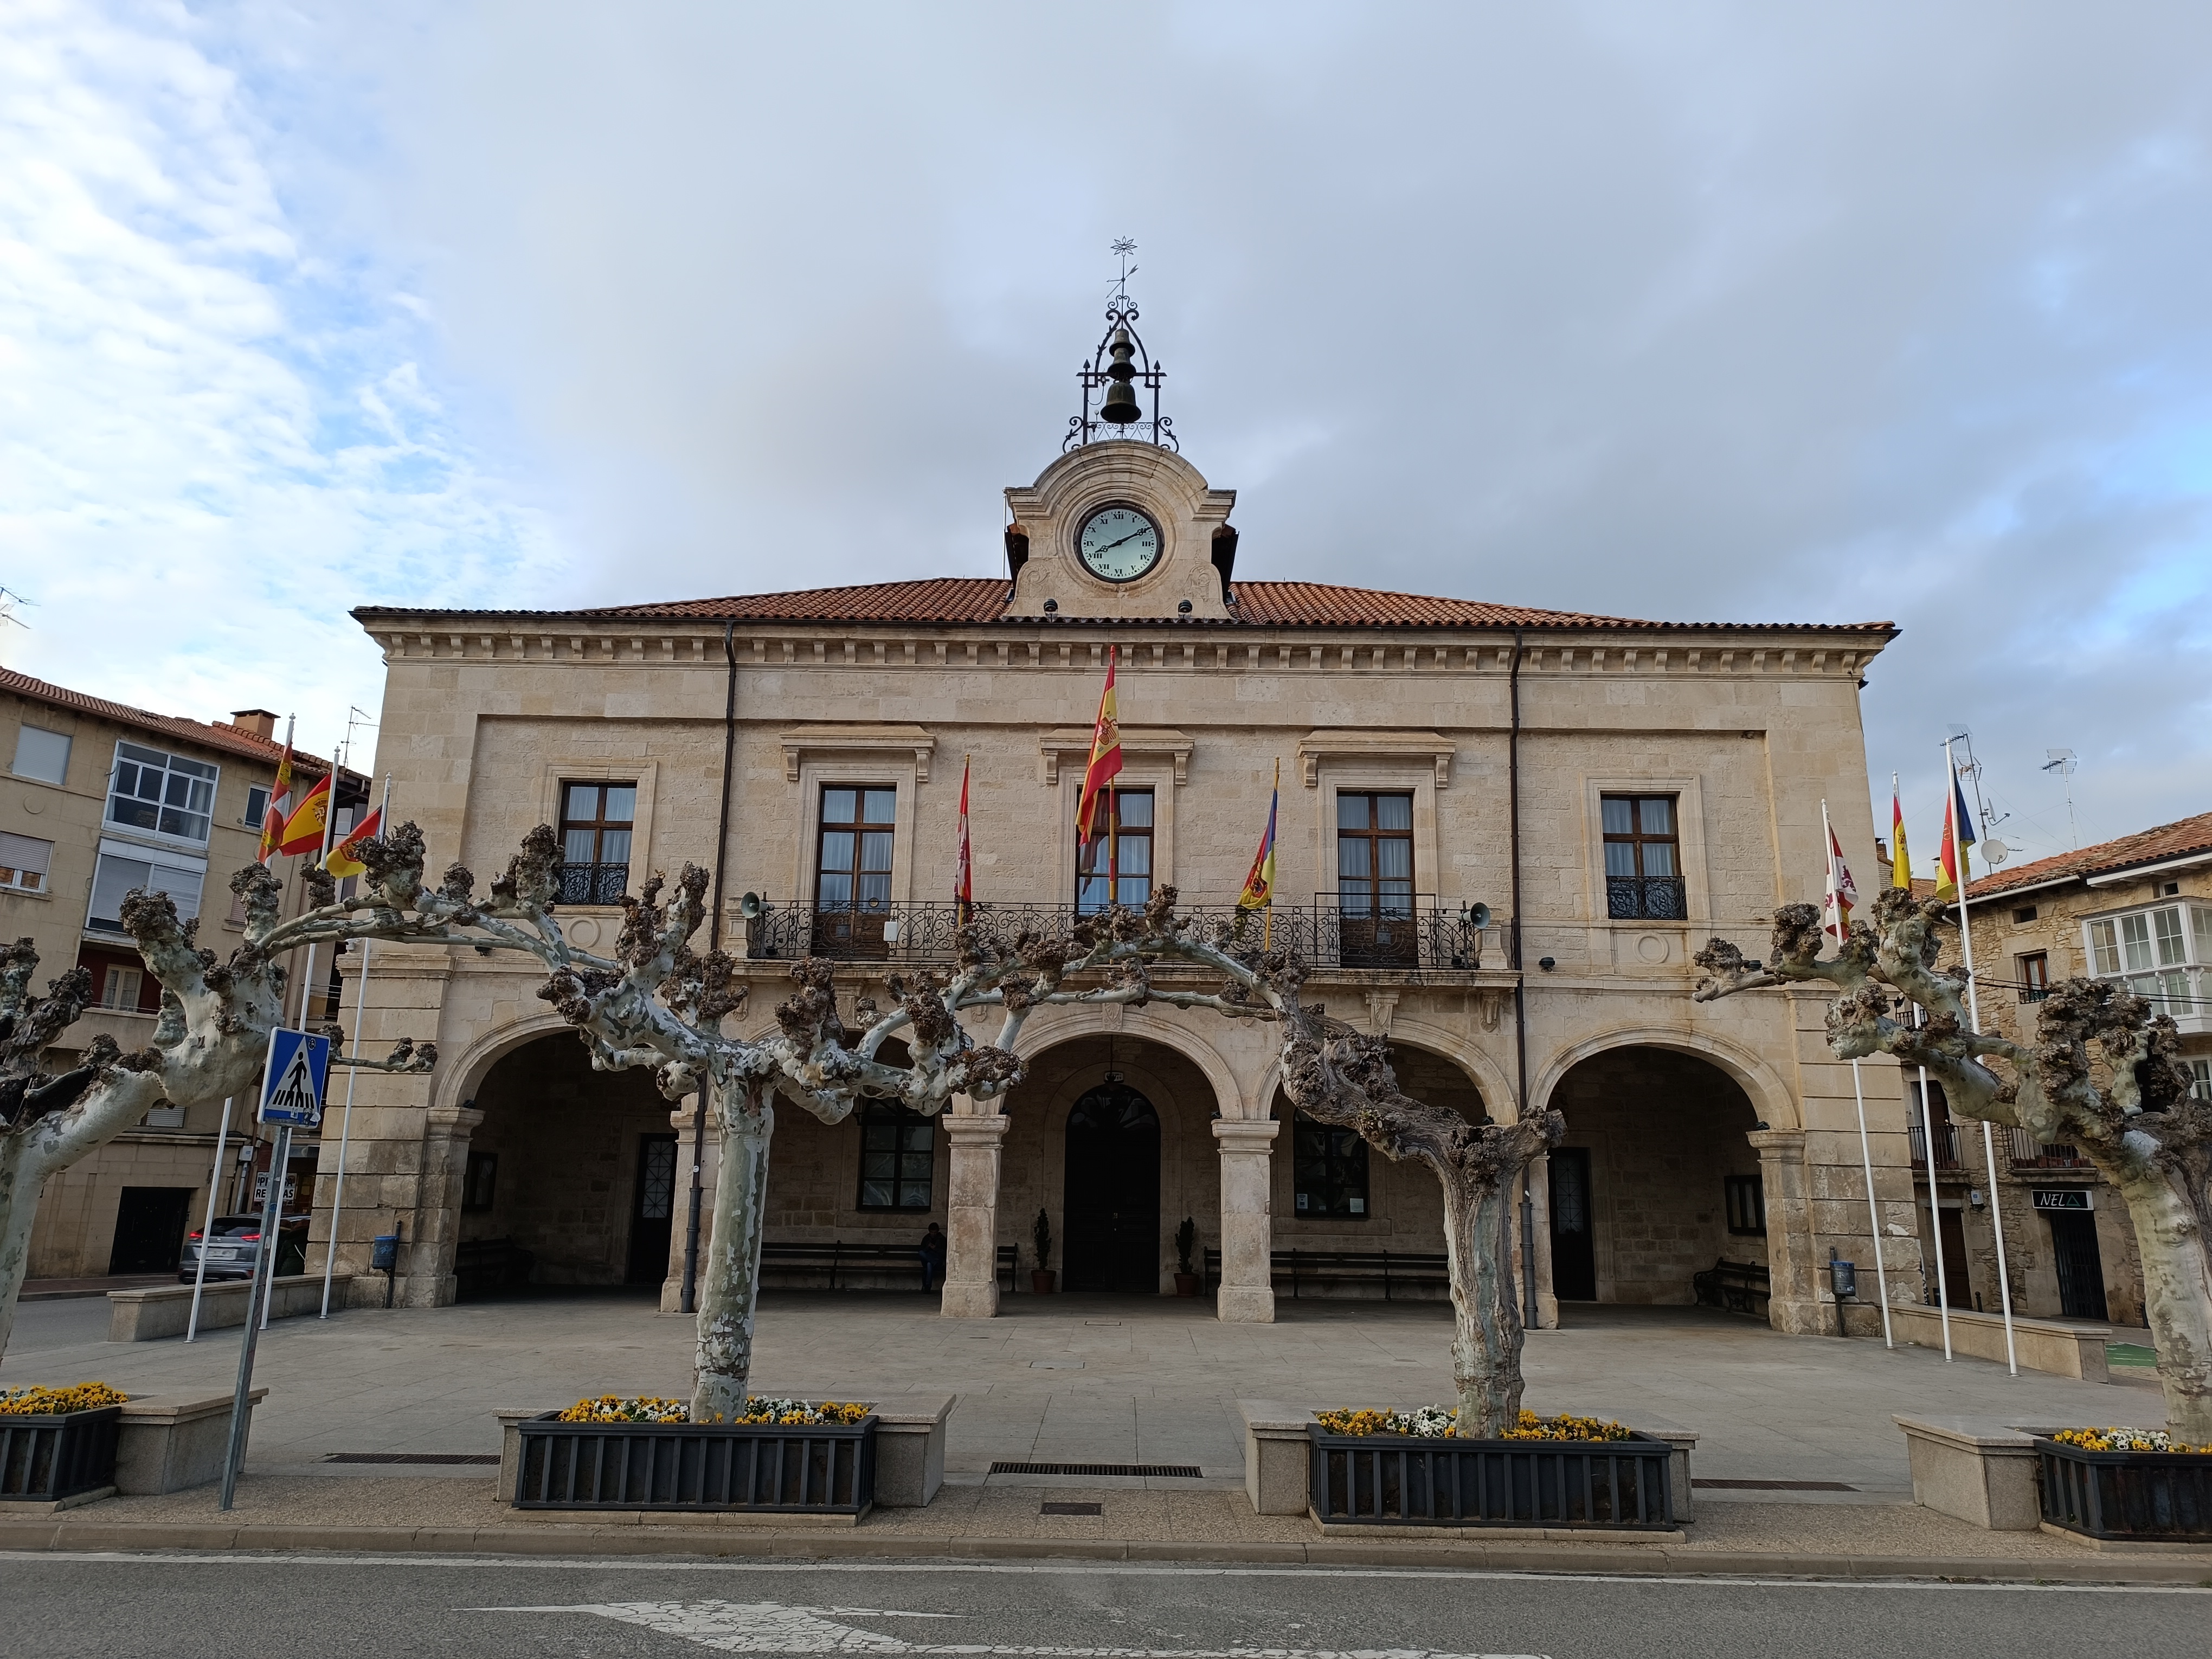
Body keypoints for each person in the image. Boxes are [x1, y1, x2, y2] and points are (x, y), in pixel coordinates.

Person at [918, 1222, 947, 1293]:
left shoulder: (942, 1239)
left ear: (937, 1231)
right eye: (931, 1232)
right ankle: (934, 1262)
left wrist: (935, 1249)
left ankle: (928, 1287)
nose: (933, 1234)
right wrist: (928, 1247)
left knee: (929, 1264)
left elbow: (945, 1252)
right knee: (923, 1255)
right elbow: (922, 1250)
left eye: (935, 1232)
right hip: (930, 1259)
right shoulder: (926, 1238)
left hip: (938, 1260)